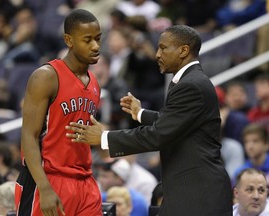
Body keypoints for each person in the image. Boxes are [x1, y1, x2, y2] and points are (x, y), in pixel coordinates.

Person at [66, 25, 233, 215]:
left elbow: (159, 135)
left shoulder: (191, 85)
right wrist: (140, 114)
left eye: (163, 48)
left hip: (198, 193)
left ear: (183, 51)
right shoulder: (191, 81)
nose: (157, 54)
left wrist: (104, 138)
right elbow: (176, 122)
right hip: (191, 189)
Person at [15, 9, 103, 216]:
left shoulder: (95, 82)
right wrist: (44, 187)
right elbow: (29, 136)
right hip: (48, 179)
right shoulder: (46, 77)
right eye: (88, 40)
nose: (96, 46)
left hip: (85, 181)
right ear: (69, 40)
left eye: (98, 39)